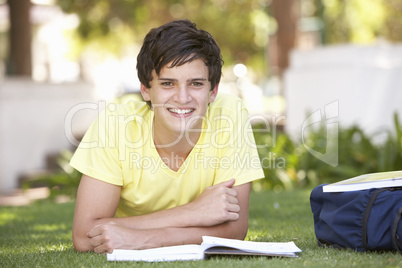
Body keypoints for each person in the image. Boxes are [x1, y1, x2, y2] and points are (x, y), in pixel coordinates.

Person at [70, 19, 264, 254]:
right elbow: (84, 236)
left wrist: (141, 239)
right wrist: (193, 212)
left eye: (195, 83)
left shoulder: (229, 113)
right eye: (168, 83)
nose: (182, 98)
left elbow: (233, 232)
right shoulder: (115, 124)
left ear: (213, 91)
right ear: (145, 89)